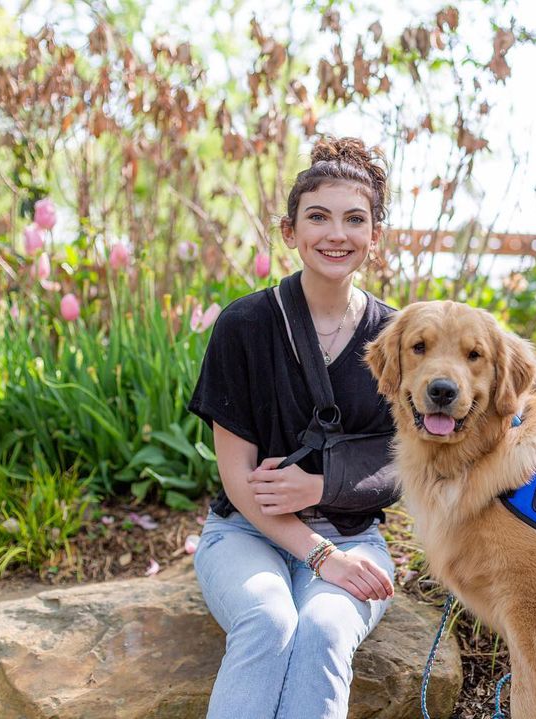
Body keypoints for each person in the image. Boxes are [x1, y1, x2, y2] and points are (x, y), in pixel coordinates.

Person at [187, 136, 399, 719]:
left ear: (374, 238)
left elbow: (408, 460)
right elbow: (239, 481)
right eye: (318, 217)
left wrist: (321, 488)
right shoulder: (244, 326)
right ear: (289, 231)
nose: (337, 233)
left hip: (357, 539)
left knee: (325, 629)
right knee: (268, 617)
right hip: (245, 534)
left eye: (355, 219)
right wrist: (321, 556)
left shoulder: (399, 337)